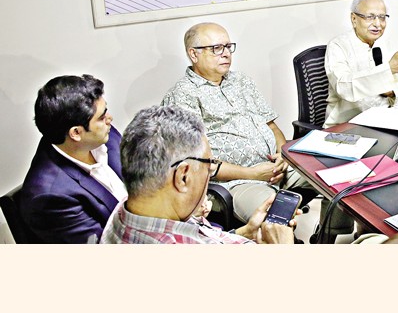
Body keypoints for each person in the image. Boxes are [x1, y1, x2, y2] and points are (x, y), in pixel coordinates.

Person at [162, 22, 304, 224]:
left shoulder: (241, 81)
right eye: (216, 48)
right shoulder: (183, 96)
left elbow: (271, 125)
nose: (226, 54)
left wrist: (283, 155)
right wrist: (253, 173)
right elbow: (196, 163)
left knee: (338, 180)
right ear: (194, 55)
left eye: (228, 47)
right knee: (276, 216)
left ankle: (332, 233)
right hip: (236, 183)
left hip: (277, 168)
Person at [101, 105, 295, 244]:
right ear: (183, 177)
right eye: (209, 164)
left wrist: (247, 232)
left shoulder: (124, 210)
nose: (210, 172)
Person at [18, 74, 127, 243]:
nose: (109, 119)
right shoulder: (49, 199)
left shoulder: (103, 133)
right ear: (76, 133)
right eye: (101, 117)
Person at [324, 0, 398, 127]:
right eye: (370, 17)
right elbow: (344, 88)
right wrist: (387, 71)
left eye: (382, 17)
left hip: (383, 120)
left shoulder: (385, 45)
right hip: (346, 124)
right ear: (354, 19)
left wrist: (391, 92)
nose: (378, 24)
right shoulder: (338, 46)